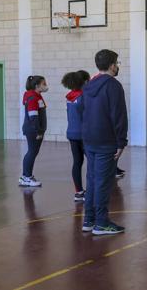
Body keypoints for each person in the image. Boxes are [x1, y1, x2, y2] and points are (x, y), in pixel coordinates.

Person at [81, 49, 128, 236]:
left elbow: (83, 112)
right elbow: (119, 116)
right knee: (103, 182)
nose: (117, 66)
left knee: (92, 180)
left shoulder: (88, 85)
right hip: (106, 140)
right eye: (116, 63)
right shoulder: (113, 86)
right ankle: (101, 222)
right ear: (111, 65)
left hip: (89, 139)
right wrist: (121, 141)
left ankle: (89, 220)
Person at [61, 70, 90, 200]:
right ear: (84, 81)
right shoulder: (84, 96)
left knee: (77, 162)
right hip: (84, 134)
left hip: (72, 133)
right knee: (92, 162)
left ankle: (78, 192)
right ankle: (91, 191)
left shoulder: (69, 97)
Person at [19, 75, 49, 187]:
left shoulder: (36, 96)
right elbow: (33, 118)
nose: (46, 86)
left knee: (33, 152)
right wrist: (38, 131)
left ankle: (26, 176)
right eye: (44, 84)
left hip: (34, 130)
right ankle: (26, 177)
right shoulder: (33, 98)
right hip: (33, 130)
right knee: (32, 152)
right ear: (37, 86)